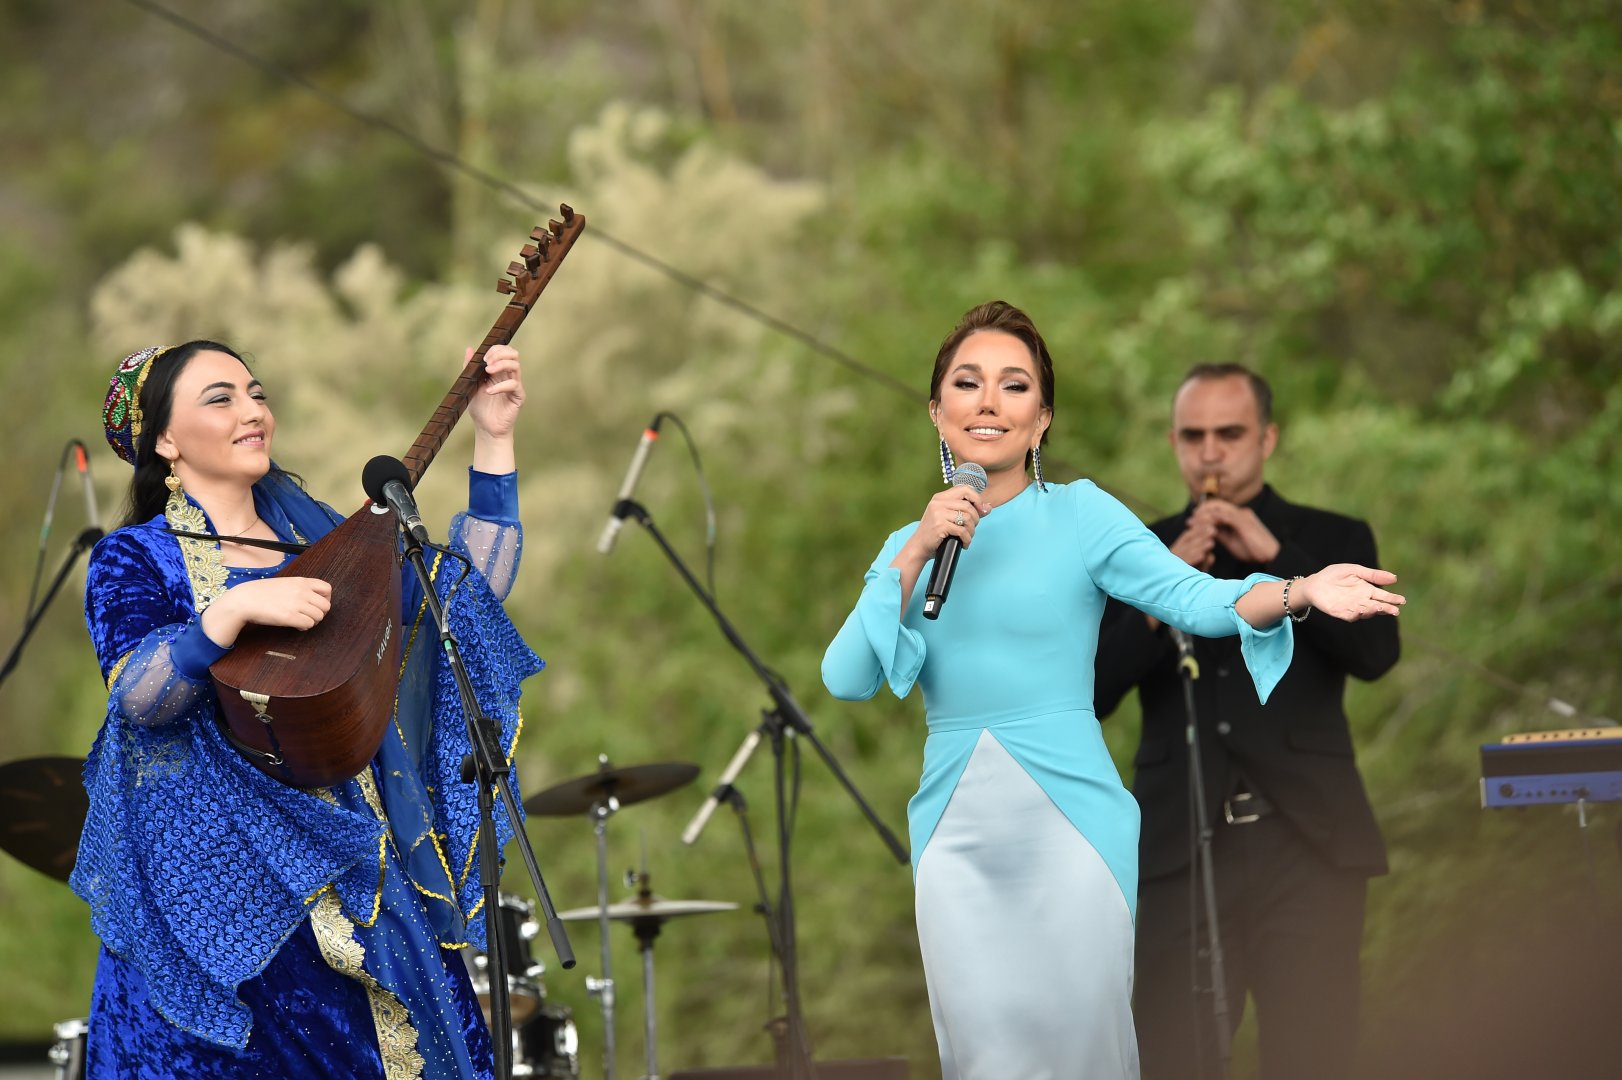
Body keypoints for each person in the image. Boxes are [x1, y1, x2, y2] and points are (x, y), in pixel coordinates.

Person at [820, 302, 1403, 1080]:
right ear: (937, 411)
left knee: (1082, 1052)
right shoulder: (911, 545)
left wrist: (1299, 590)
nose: (989, 401)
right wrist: (919, 547)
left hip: (1071, 827)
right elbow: (846, 677)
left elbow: (1200, 602)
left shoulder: (1082, 515)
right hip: (955, 836)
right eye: (968, 383)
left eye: (1014, 385)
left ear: (1041, 419)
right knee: (981, 1061)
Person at [74, 339, 543, 1079]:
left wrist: (493, 435)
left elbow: (465, 600)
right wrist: (226, 617)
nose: (253, 410)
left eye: (256, 392)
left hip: (363, 874)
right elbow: (140, 698)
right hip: (225, 907)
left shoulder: (324, 539)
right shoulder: (135, 558)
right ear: (164, 440)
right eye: (220, 398)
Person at [1093, 363, 1400, 1080]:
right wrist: (1160, 583)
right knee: (1178, 1057)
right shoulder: (1133, 552)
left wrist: (1278, 560)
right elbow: (1092, 690)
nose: (1210, 453)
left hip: (1309, 845)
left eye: (1229, 434)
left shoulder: (1333, 536)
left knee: (1314, 1052)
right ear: (1173, 442)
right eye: (1193, 436)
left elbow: (1377, 653)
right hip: (1180, 852)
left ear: (1266, 439)